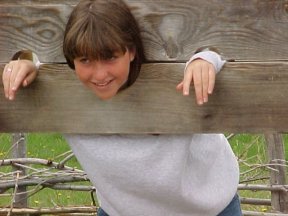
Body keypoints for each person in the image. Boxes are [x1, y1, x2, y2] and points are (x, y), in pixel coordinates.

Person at [3, 0, 242, 215]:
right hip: (121, 210)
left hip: (211, 207)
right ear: (71, 60)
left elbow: (223, 43)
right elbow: (33, 51)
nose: (99, 74)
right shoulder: (56, 83)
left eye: (110, 58)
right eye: (85, 60)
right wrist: (26, 59)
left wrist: (206, 58)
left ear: (132, 51)